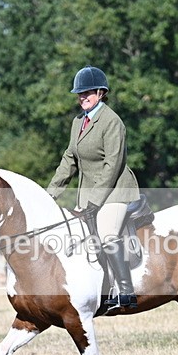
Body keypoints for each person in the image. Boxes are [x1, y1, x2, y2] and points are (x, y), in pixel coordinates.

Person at [46, 65, 140, 312]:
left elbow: (112, 165)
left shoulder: (112, 122)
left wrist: (94, 202)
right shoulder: (78, 122)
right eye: (79, 93)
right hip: (89, 193)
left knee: (107, 234)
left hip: (116, 190)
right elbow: (69, 160)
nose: (82, 97)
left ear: (101, 92)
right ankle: (101, 290)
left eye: (87, 93)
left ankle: (125, 291)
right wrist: (50, 194)